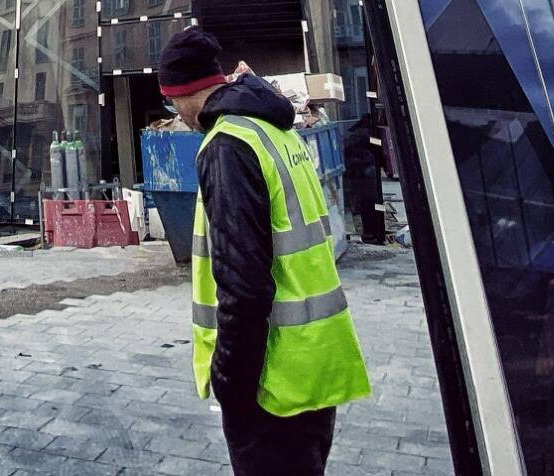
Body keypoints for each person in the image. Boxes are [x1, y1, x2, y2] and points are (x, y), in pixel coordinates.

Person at [160, 28, 371, 476]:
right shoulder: (277, 132)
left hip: (271, 378)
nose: (175, 114)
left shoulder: (226, 146)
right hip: (314, 360)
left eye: (171, 103)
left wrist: (230, 380)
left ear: (183, 94)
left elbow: (244, 282)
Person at [343, 112, 388, 245]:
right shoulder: (365, 136)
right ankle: (372, 234)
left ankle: (371, 233)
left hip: (365, 176)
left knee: (368, 206)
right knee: (369, 205)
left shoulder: (364, 135)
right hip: (364, 177)